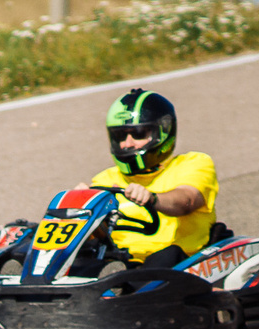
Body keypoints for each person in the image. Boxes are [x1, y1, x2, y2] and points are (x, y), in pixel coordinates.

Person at [91, 87, 218, 266]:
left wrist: (152, 199)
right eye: (120, 136)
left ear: (162, 132)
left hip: (180, 263)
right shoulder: (104, 180)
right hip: (121, 265)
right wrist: (78, 211)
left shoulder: (193, 163)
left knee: (165, 257)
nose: (127, 144)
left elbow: (186, 200)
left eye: (138, 134)